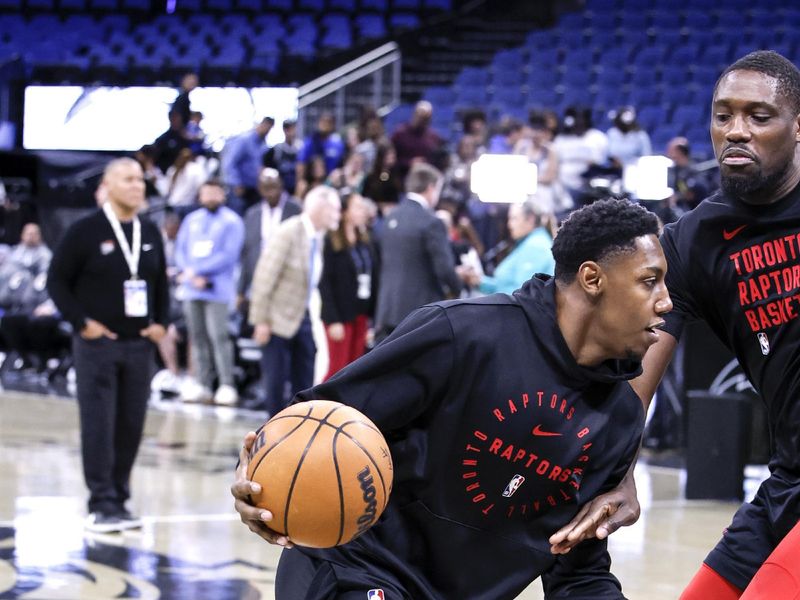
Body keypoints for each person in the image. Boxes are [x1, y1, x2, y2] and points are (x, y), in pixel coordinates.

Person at [231, 198, 673, 599]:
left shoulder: (620, 419)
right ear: (592, 278)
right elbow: (313, 421)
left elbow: (578, 574)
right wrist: (256, 476)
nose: (666, 302)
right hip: (357, 571)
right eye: (649, 281)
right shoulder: (462, 334)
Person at [549, 50, 800, 599]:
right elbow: (640, 366)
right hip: (789, 481)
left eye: (760, 117)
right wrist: (619, 471)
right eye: (723, 115)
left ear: (798, 125)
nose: (737, 131)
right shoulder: (694, 241)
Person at [47, 158, 169, 533]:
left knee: (131, 425)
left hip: (138, 347)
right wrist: (83, 324)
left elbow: (160, 284)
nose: (137, 185)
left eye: (140, 179)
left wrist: (161, 324)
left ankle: (119, 498)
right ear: (109, 185)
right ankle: (100, 503)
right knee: (99, 423)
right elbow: (56, 282)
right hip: (97, 346)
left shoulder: (149, 231)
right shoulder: (85, 230)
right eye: (128, 179)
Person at [248, 185, 341, 417]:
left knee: (306, 376)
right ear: (320, 207)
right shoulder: (289, 231)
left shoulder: (317, 237)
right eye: (335, 209)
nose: (338, 215)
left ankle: (298, 427)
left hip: (303, 315)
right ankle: (272, 433)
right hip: (276, 318)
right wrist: (260, 320)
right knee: (276, 380)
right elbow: (264, 276)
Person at [373, 163, 464, 341]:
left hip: (387, 309)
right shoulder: (431, 222)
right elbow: (444, 268)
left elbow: (379, 262)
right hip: (419, 314)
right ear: (431, 188)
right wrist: (458, 290)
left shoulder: (390, 217)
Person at [174, 180, 244, 405]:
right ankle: (201, 383)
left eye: (215, 192)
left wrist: (199, 271)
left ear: (222, 195)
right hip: (192, 288)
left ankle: (226, 384)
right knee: (197, 337)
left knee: (219, 337)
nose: (211, 197)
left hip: (218, 289)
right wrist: (189, 273)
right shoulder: (192, 220)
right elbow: (180, 250)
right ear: (200, 195)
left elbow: (229, 255)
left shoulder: (232, 221)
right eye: (207, 193)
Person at [318, 191, 378, 380]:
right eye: (358, 207)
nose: (363, 211)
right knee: (338, 370)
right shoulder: (331, 242)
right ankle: (318, 408)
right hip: (339, 316)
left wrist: (372, 319)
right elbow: (325, 283)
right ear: (345, 212)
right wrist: (333, 319)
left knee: (355, 370)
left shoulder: (366, 241)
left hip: (360, 313)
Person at [239, 168, 302, 317]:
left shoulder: (296, 210)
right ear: (259, 189)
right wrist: (240, 290)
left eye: (274, 187)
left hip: (288, 278)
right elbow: (247, 254)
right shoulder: (252, 214)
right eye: (266, 188)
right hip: (259, 278)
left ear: (281, 186)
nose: (271, 192)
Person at [466, 201, 556, 295]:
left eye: (514, 219)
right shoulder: (529, 243)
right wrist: (480, 282)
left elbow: (522, 295)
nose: (509, 225)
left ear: (530, 219)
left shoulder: (536, 246)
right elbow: (505, 287)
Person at [221, 117, 275, 213]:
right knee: (238, 215)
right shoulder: (244, 140)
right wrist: (236, 183)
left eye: (270, 128)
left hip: (254, 189)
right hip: (239, 188)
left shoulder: (263, 144)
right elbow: (230, 163)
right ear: (261, 125)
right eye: (266, 126)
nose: (267, 130)